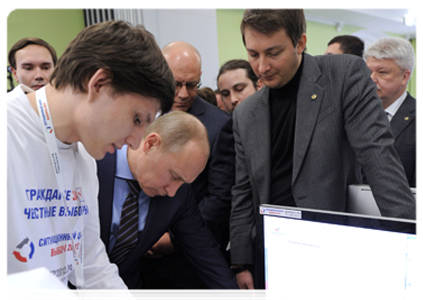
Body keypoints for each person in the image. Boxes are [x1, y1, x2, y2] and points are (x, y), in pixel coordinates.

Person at [230, 8, 419, 300]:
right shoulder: (246, 112)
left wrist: (412, 240)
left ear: (301, 43)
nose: (262, 66)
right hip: (273, 249)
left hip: (333, 248)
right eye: (253, 54)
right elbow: (243, 190)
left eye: (273, 53)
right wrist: (241, 262)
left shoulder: (343, 75)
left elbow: (378, 154)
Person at [5, 20, 174, 300]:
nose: (135, 142)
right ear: (98, 84)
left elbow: (90, 263)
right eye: (136, 119)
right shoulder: (8, 133)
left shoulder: (83, 154)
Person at [97, 111, 245, 300]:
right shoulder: (94, 162)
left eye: (183, 183)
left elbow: (206, 254)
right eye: (174, 176)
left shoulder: (179, 195)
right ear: (151, 144)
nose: (172, 191)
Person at [133, 41, 235, 299]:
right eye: (176, 84)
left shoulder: (218, 125)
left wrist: (170, 239)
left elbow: (219, 198)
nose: (182, 93)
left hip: (186, 256)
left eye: (192, 85)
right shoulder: (137, 116)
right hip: (133, 260)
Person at [364, 37, 419, 187]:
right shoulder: (355, 114)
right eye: (368, 72)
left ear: (404, 77)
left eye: (382, 72)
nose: (371, 79)